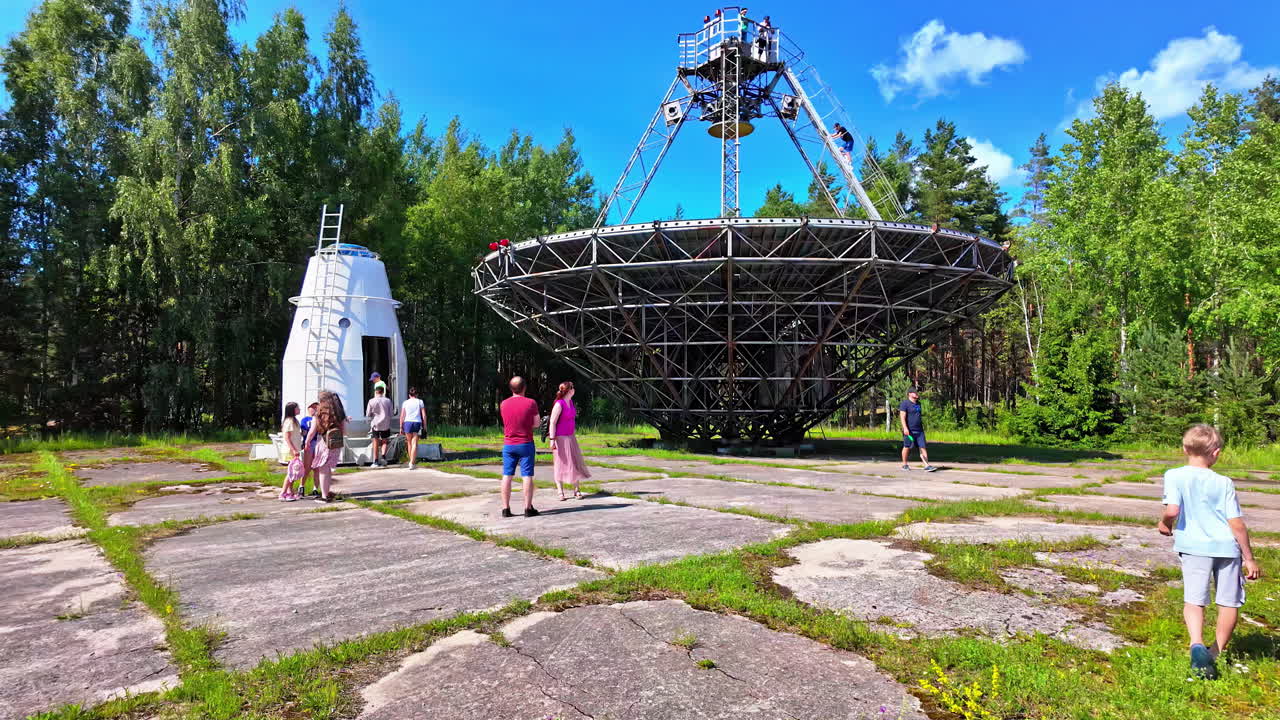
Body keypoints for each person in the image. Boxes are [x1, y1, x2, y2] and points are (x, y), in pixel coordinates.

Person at [1157, 424, 1261, 680]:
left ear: (1184, 449)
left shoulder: (1174, 475)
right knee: (1228, 601)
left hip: (1194, 548)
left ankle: (1196, 644)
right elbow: (1236, 524)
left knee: (1195, 599)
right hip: (1227, 547)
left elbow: (1172, 510)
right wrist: (1249, 558)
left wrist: (1164, 524)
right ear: (1216, 453)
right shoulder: (1224, 482)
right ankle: (1214, 653)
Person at [499, 376, 540, 518]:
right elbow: (536, 424)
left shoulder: (503, 404)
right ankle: (528, 509)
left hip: (508, 445)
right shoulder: (531, 403)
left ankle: (506, 509)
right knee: (527, 475)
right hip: (525, 444)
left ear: (511, 388)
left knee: (507, 475)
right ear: (524, 387)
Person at [548, 381, 592, 501]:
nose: (574, 389)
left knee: (574, 462)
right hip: (560, 438)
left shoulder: (571, 402)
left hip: (570, 437)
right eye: (572, 387)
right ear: (568, 390)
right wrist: (552, 440)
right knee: (560, 463)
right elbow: (552, 422)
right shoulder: (559, 404)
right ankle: (560, 491)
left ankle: (576, 490)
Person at [305, 391, 346, 503]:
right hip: (335, 444)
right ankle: (326, 493)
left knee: (323, 470)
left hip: (323, 443)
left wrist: (307, 441)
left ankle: (324, 496)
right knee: (328, 469)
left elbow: (312, 431)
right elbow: (344, 431)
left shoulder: (319, 413)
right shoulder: (339, 414)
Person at [899, 387, 936, 472]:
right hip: (909, 431)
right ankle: (904, 464)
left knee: (922, 447)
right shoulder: (905, 404)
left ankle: (927, 465)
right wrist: (905, 428)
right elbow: (902, 416)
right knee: (907, 446)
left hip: (919, 430)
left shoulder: (918, 404)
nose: (917, 394)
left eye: (917, 393)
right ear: (910, 394)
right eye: (915, 393)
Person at [279, 402, 305, 501]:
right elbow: (287, 437)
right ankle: (283, 493)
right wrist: (294, 449)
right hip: (290, 451)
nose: (299, 409)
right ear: (292, 409)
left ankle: (290, 492)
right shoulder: (289, 421)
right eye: (297, 408)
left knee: (294, 472)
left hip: (295, 450)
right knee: (291, 473)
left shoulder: (295, 421)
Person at [366, 386, 394, 467]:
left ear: (376, 391)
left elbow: (368, 414)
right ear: (383, 392)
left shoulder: (371, 401)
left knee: (376, 441)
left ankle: (375, 461)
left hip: (375, 424)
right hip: (386, 424)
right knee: (384, 441)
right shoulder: (388, 401)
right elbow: (391, 414)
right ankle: (383, 457)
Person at [399, 387, 426, 469]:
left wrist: (401, 426)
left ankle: (411, 462)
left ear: (409, 395)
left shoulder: (405, 403)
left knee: (409, 442)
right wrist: (425, 426)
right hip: (417, 423)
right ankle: (412, 462)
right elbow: (424, 415)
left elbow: (402, 416)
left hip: (407, 423)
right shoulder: (420, 402)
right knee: (415, 443)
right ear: (416, 394)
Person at [298, 401, 320, 496]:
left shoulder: (321, 419)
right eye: (311, 407)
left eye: (315, 407)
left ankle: (316, 488)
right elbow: (303, 431)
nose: (313, 409)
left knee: (316, 467)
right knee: (307, 466)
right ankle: (301, 486)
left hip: (319, 443)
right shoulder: (305, 420)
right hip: (309, 443)